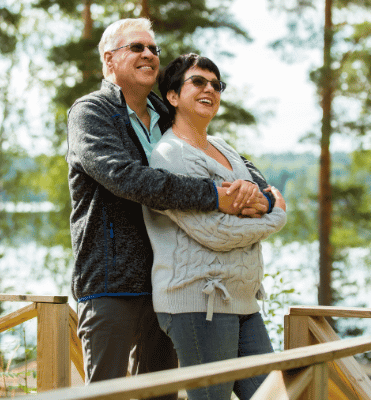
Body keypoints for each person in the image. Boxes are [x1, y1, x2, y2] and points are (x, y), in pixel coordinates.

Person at [65, 18, 276, 394]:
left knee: (160, 394)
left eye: (153, 49)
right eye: (137, 47)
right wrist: (215, 196)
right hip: (112, 282)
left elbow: (227, 154)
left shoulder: (166, 114)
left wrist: (260, 190)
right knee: (105, 394)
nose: (149, 54)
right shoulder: (90, 112)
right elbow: (126, 178)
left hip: (167, 281)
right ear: (109, 59)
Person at [142, 53, 287, 400]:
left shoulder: (224, 148)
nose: (210, 89)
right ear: (174, 96)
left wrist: (260, 203)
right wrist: (277, 216)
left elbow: (255, 199)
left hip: (242, 300)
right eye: (199, 81)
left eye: (216, 84)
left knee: (275, 397)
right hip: (197, 303)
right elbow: (216, 232)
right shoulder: (170, 155)